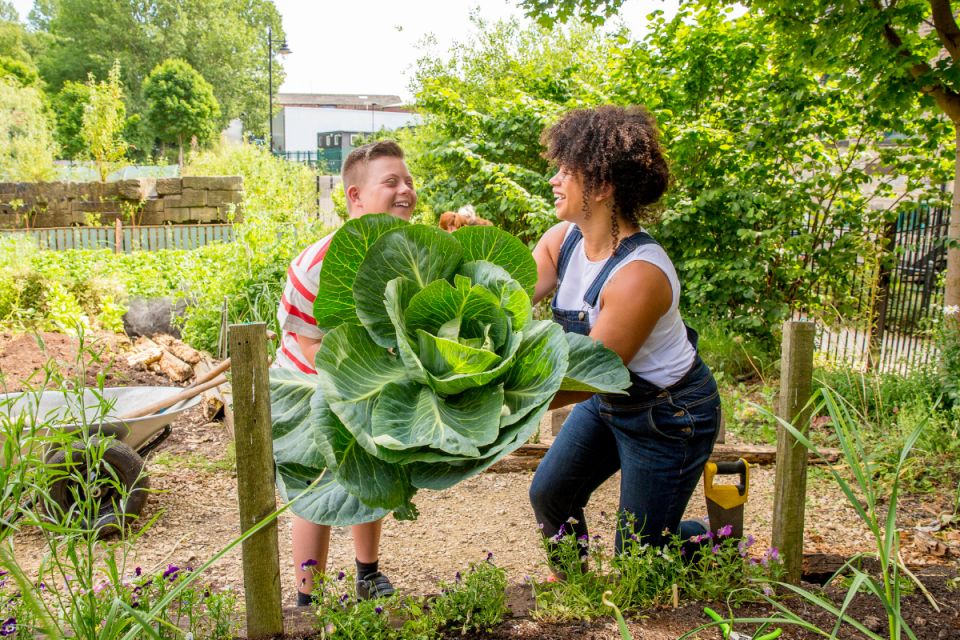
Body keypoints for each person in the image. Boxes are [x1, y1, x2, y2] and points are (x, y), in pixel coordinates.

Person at [528, 105, 720, 567]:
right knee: (550, 494)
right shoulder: (562, 240)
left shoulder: (639, 276)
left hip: (668, 415)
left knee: (639, 558)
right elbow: (509, 301)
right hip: (609, 402)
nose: (554, 179)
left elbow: (590, 376)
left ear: (603, 185)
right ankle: (573, 587)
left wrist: (505, 410)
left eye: (566, 171)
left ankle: (716, 540)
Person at [275, 140, 417, 605]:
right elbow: (311, 345)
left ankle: (367, 572)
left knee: (369, 475)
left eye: (408, 181)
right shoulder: (320, 262)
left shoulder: (403, 252)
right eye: (391, 182)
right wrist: (360, 382)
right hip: (307, 388)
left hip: (369, 381)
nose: (405, 191)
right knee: (315, 489)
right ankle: (306, 596)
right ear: (355, 197)